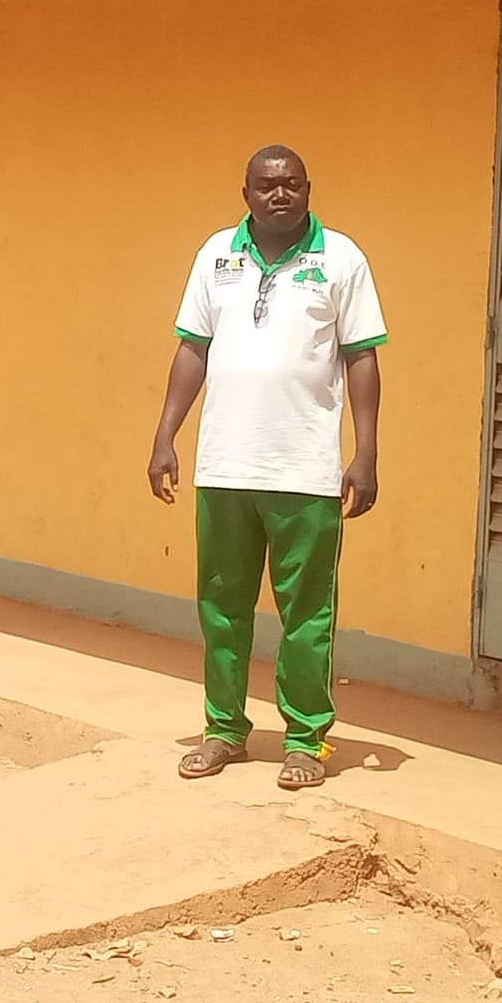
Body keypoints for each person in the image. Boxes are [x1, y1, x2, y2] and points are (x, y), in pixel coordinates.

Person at [143, 145, 384, 789]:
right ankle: (223, 730)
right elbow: (192, 349)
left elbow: (362, 357)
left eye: (291, 185)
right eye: (265, 186)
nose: (279, 195)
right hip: (224, 467)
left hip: (305, 471)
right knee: (221, 607)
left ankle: (306, 739)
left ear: (309, 189)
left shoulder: (342, 258)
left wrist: (365, 452)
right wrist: (166, 435)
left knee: (307, 612)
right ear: (245, 192)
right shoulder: (215, 255)